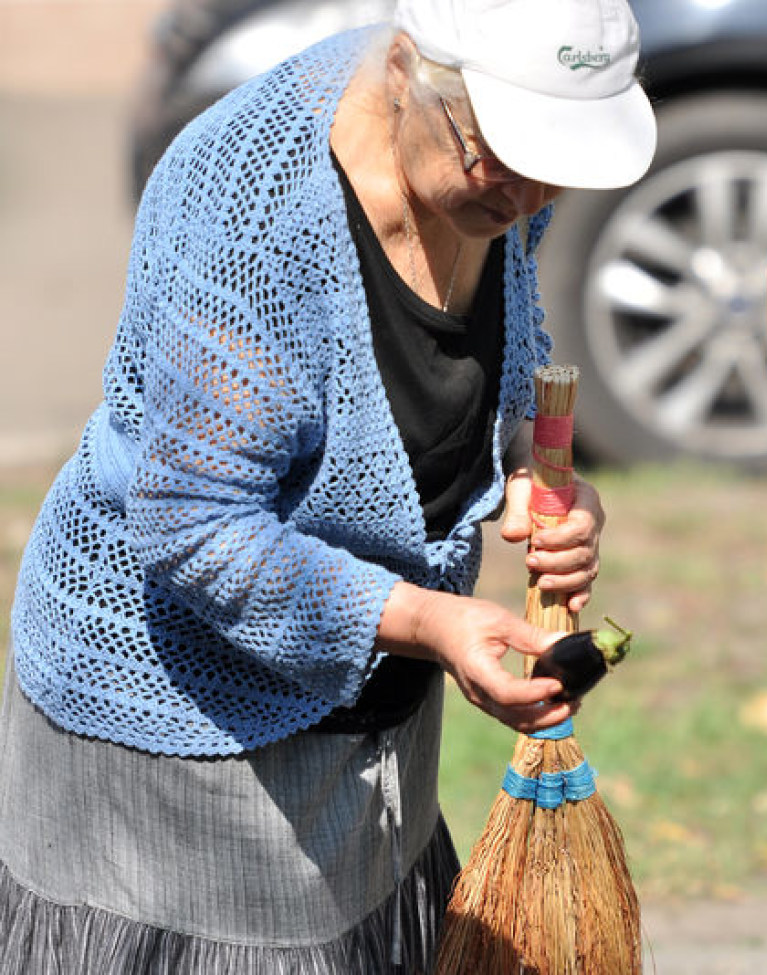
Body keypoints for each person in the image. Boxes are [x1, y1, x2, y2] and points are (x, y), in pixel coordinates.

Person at [0, 0, 655, 971]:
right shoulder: (253, 206)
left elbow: (480, 359)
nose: (525, 193)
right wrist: (433, 622)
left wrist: (523, 472)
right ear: (406, 70)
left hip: (368, 718)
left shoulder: (493, 172)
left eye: (555, 161)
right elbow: (193, 527)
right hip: (181, 732)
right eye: (499, 155)